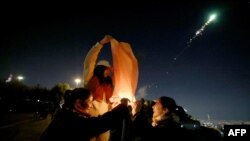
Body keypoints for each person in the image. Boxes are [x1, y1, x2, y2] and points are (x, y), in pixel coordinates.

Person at [40, 88, 130, 141]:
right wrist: (121, 108)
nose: (91, 105)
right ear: (78, 103)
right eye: (90, 102)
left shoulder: (65, 115)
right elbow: (96, 125)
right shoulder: (67, 121)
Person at [83, 35, 114, 141]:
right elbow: (89, 60)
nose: (109, 71)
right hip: (89, 119)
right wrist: (100, 44)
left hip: (104, 122)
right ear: (101, 69)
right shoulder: (90, 78)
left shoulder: (109, 84)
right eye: (107, 69)